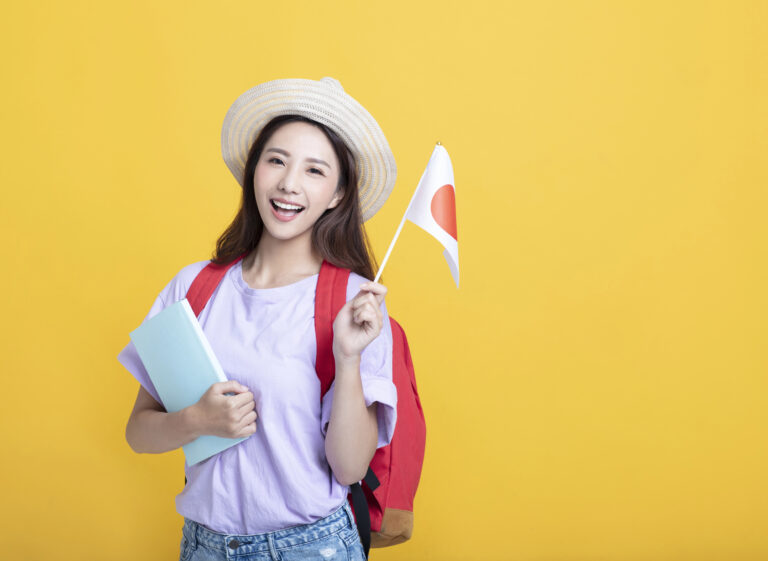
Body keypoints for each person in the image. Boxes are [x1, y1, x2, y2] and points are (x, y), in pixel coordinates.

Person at [117, 77, 399, 561]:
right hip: (205, 545)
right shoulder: (193, 289)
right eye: (277, 160)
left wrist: (348, 358)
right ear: (254, 171)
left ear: (336, 194)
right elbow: (138, 433)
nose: (289, 183)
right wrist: (196, 420)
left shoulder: (354, 303)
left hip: (313, 547)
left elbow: (350, 468)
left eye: (314, 170)